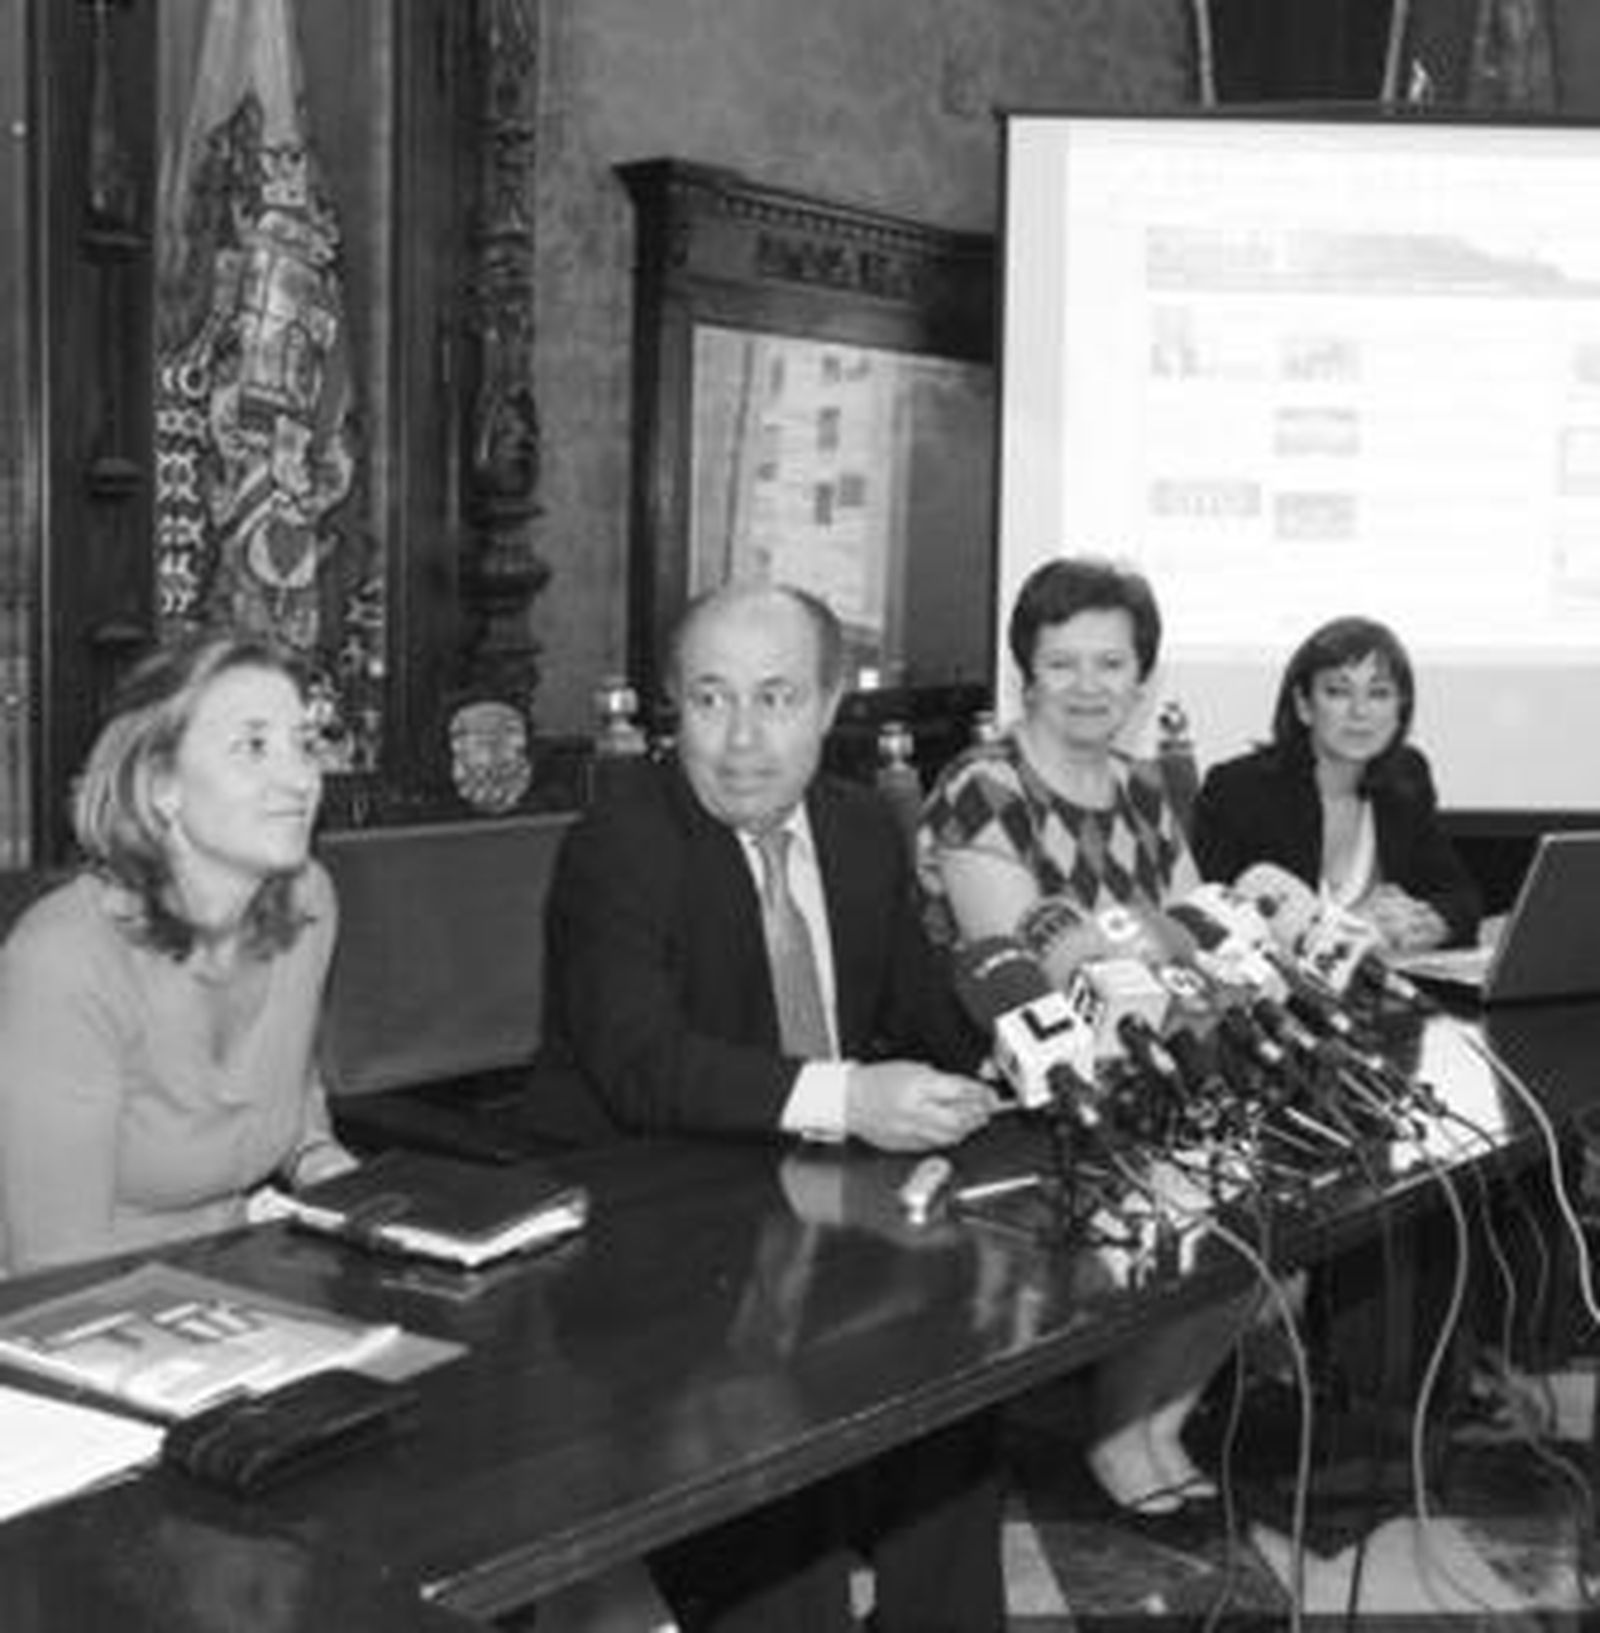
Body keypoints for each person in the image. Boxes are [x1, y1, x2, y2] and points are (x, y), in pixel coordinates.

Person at [545, 583, 1006, 1632]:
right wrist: (855, 1097)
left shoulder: (858, 827)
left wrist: (1034, 1054)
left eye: (776, 697)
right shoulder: (620, 839)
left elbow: (924, 1015)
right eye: (710, 700)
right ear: (672, 707)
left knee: (957, 1413)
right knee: (771, 1481)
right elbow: (641, 1067)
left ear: (831, 702)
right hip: (647, 1230)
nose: (742, 739)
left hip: (816, 1218)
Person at [917, 554, 1246, 1517]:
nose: (1090, 685)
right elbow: (1028, 974)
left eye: (1112, 663)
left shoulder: (1147, 788)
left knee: (1287, 1220)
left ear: (1142, 677)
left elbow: (1204, 934)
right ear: (1028, 669)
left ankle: (1159, 1421)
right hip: (1029, 1088)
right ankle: (1113, 1430)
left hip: (1157, 1063)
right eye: (1065, 663)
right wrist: (1173, 961)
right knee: (1203, 1206)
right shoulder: (986, 786)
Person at [0, 635, 356, 1275]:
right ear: (162, 785)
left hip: (238, 1284)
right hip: (76, 1322)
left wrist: (325, 1167)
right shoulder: (63, 960)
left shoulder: (307, 905)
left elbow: (286, 1093)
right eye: (254, 747)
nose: (301, 777)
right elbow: (55, 1270)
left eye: (304, 743)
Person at [1191, 615, 1481, 951]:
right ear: (1303, 706)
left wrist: (1431, 925)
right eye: (1338, 692)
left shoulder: (1406, 778)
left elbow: (1460, 898)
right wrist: (1353, 928)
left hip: (1382, 994)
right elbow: (1208, 926)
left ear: (1400, 708)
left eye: (1379, 693)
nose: (1360, 711)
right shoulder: (1239, 790)